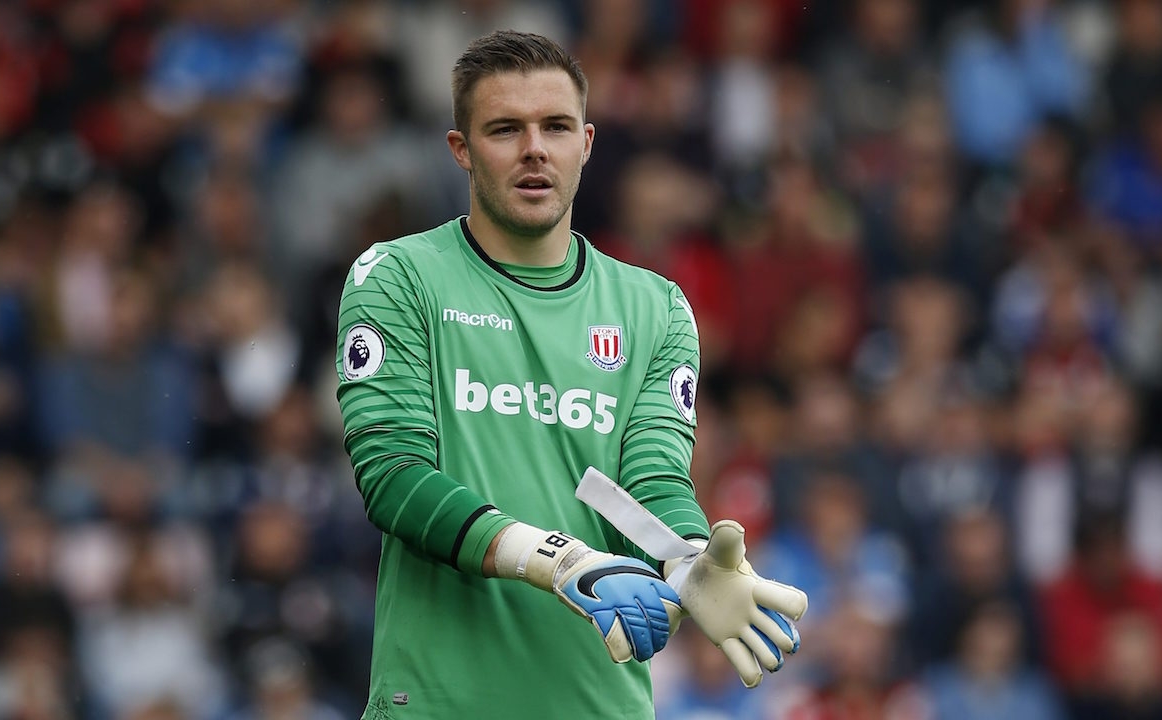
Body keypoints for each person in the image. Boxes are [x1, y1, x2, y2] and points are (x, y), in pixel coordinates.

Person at [334, 30, 808, 720]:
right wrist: (555, 560)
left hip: (598, 706)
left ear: (585, 144)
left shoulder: (656, 307)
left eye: (555, 127)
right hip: (437, 704)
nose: (535, 149)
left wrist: (688, 559)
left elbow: (651, 483)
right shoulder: (399, 276)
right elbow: (394, 478)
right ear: (461, 150)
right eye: (505, 129)